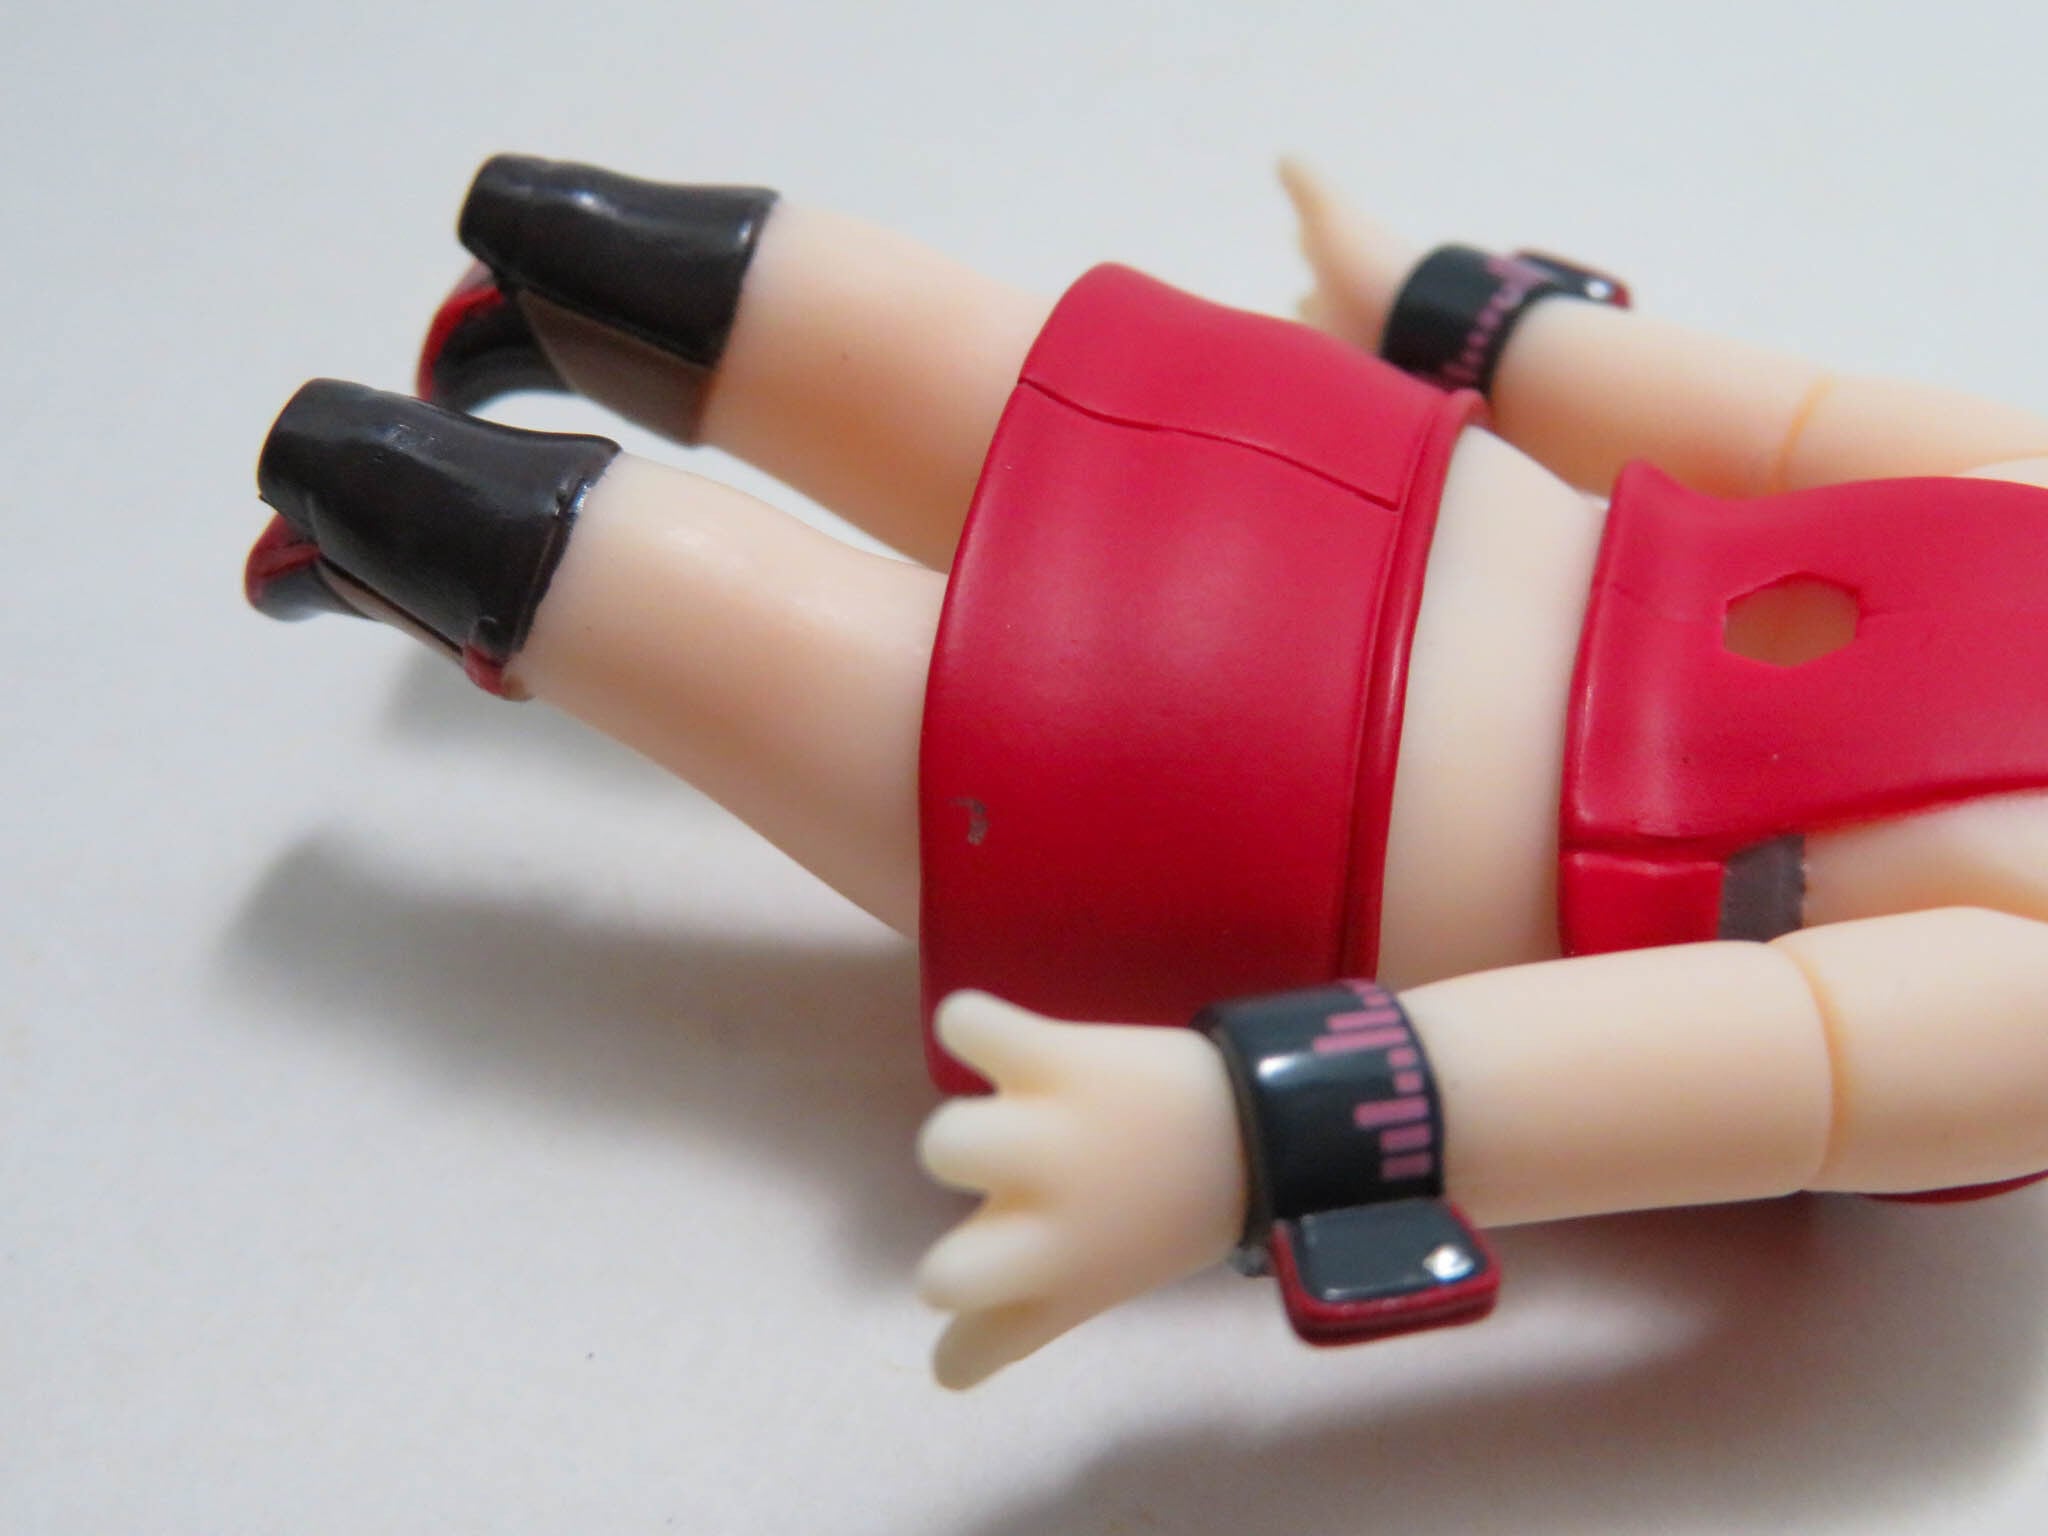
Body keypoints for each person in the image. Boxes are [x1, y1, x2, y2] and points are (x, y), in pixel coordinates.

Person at [246, 156, 2048, 1389]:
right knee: (906, 452)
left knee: (872, 512)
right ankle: (456, 427)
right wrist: (1483, 328)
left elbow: (1749, 1056)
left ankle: (528, 327)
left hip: (1316, 726)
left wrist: (1236, 1130)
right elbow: (1789, 433)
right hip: (1316, 707)